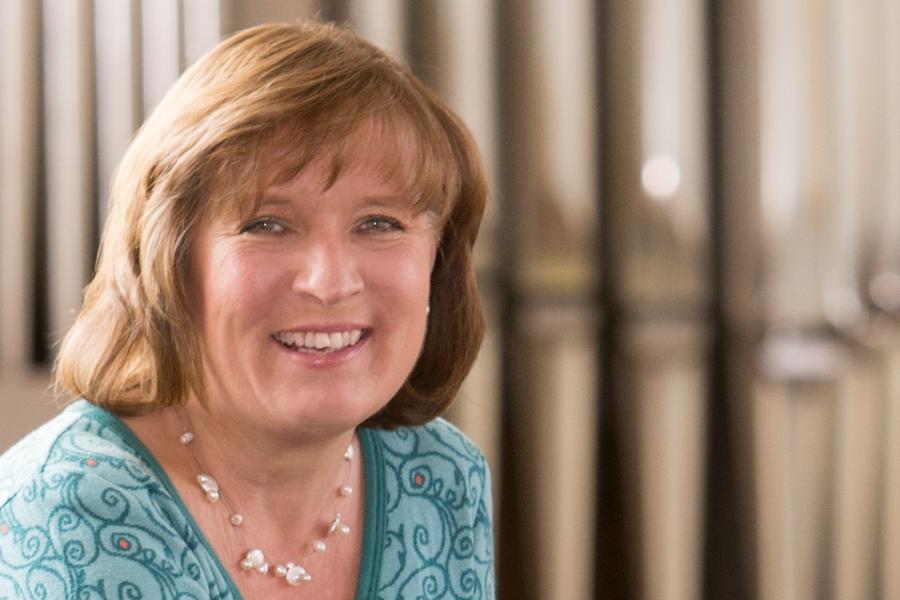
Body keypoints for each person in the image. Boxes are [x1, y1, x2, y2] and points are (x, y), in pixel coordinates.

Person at [0, 20, 493, 599]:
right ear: (170, 262)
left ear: (438, 259)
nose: (330, 283)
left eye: (379, 223)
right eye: (268, 224)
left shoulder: (442, 477)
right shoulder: (70, 515)